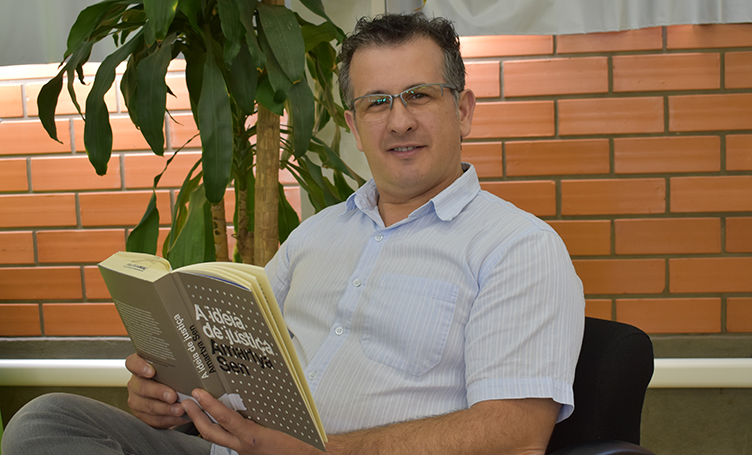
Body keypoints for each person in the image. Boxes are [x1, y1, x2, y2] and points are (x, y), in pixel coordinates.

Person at [2, 12, 584, 455]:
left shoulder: (518, 248)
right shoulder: (315, 236)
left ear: (463, 110)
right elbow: (234, 361)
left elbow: (514, 434)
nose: (399, 120)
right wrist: (171, 394)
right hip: (229, 448)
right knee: (48, 421)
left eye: (419, 96)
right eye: (377, 103)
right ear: (353, 124)